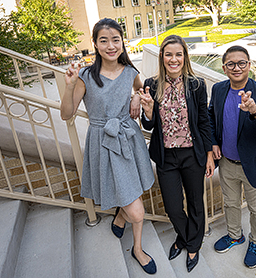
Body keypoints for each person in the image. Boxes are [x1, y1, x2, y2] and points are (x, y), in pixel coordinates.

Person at [61, 18, 157, 275]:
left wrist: (137, 96)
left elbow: (143, 90)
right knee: (137, 211)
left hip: (129, 138)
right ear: (95, 44)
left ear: (122, 42)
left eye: (115, 39)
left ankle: (135, 244)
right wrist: (69, 87)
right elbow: (66, 114)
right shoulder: (85, 76)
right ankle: (126, 218)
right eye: (104, 40)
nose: (111, 45)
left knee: (133, 189)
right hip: (103, 141)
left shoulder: (130, 72)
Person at [139, 35, 214, 273]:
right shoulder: (151, 83)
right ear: (162, 57)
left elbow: (204, 121)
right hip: (166, 157)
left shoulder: (197, 85)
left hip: (193, 154)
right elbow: (148, 126)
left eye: (178, 54)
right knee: (172, 207)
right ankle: (189, 238)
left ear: (185, 57)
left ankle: (190, 245)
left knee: (195, 204)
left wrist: (210, 154)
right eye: (168, 54)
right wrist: (149, 111)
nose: (174, 59)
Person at [208, 45, 256, 268]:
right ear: (224, 68)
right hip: (228, 163)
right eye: (231, 64)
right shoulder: (219, 89)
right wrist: (212, 142)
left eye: (242, 63)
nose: (236, 68)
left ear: (249, 65)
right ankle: (234, 235)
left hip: (253, 163)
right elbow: (211, 117)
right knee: (230, 203)